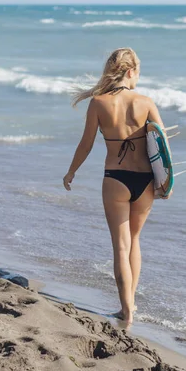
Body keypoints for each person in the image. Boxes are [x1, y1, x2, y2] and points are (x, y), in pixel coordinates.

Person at [63, 48, 166, 326]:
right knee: (135, 241)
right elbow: (163, 146)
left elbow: (86, 144)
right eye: (138, 72)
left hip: (115, 179)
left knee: (120, 247)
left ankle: (126, 310)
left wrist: (72, 171)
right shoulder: (145, 102)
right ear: (130, 71)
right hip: (145, 182)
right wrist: (165, 183)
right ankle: (131, 302)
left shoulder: (98, 103)